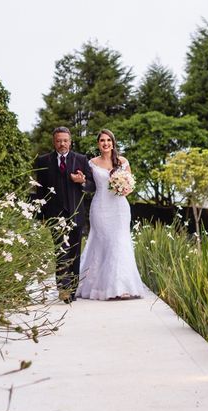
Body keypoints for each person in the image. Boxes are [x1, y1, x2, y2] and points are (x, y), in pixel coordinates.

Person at [76, 129, 146, 300]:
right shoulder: (91, 163)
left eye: (108, 140)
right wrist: (83, 181)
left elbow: (130, 185)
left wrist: (123, 188)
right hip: (100, 207)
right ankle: (99, 287)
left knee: (119, 243)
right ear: (98, 143)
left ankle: (121, 287)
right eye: (102, 140)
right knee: (101, 243)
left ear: (113, 143)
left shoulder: (122, 161)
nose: (105, 143)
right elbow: (90, 186)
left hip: (120, 208)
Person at [34, 126, 96, 303]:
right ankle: (64, 289)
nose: (62, 144)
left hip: (76, 213)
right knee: (60, 251)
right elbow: (40, 191)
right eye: (59, 140)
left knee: (74, 253)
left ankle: (73, 290)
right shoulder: (43, 161)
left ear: (70, 141)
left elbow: (92, 186)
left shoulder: (81, 159)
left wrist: (82, 180)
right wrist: (42, 216)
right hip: (55, 214)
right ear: (54, 142)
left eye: (65, 140)